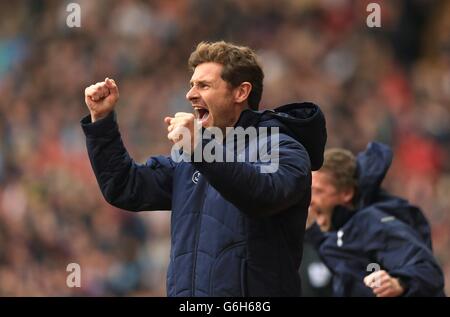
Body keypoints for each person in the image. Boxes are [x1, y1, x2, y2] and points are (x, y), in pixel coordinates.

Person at [81, 41, 327, 296]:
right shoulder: (190, 159)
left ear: (241, 92)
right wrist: (102, 122)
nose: (190, 94)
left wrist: (200, 146)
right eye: (192, 85)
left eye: (204, 85)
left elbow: (262, 195)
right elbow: (125, 187)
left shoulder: (285, 149)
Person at [306, 142, 445, 297]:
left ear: (346, 193)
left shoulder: (372, 224)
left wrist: (399, 283)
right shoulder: (340, 236)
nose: (310, 200)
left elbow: (428, 271)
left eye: (318, 191)